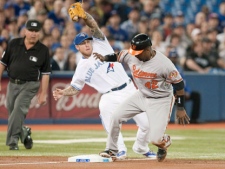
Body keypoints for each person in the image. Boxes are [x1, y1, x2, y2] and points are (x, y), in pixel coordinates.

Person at [53, 10, 156, 160]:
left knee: (147, 124)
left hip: (128, 88)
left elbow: (93, 26)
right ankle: (119, 150)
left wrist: (84, 15)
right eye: (82, 43)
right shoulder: (81, 68)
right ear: (77, 47)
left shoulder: (101, 44)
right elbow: (75, 87)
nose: (87, 44)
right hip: (110, 95)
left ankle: (141, 147)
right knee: (105, 108)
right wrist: (63, 92)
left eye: (87, 41)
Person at [93, 33, 190, 162]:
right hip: (141, 95)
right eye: (134, 51)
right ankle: (112, 149)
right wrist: (104, 58)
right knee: (115, 116)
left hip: (160, 100)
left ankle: (163, 143)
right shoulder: (131, 55)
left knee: (155, 139)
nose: (135, 54)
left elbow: (179, 85)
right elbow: (118, 56)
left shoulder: (164, 64)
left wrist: (181, 107)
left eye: (139, 51)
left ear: (149, 49)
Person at [0, 19, 51, 150]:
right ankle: (24, 133)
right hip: (12, 83)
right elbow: (2, 64)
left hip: (30, 85)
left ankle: (12, 142)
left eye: (36, 31)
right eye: (31, 30)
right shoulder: (13, 44)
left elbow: (45, 73)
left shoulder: (43, 50)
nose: (33, 33)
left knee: (18, 110)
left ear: (39, 33)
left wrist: (43, 94)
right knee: (13, 113)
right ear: (25, 31)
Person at [167, 48, 201, 124]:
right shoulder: (166, 68)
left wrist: (187, 91)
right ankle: (181, 120)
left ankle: (194, 119)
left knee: (196, 95)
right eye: (172, 57)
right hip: (172, 92)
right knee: (180, 95)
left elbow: (184, 82)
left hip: (181, 90)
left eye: (175, 57)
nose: (173, 59)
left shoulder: (179, 69)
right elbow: (168, 84)